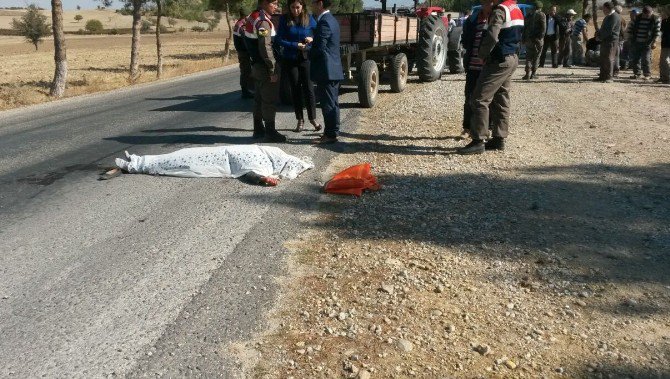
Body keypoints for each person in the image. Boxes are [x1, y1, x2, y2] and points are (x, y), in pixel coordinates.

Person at [458, 0, 524, 155]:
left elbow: (492, 36)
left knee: (479, 99)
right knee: (501, 98)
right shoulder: (515, 9)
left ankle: (478, 140)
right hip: (512, 57)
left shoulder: (499, 10)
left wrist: (482, 55)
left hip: (499, 60)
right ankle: (499, 138)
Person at [111, 146, 314, 186]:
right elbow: (250, 172)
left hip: (209, 154)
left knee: (174, 161)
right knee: (177, 163)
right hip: (210, 158)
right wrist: (263, 178)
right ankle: (136, 164)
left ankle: (135, 163)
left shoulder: (271, 152)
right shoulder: (265, 160)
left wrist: (263, 177)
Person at [276, 0, 322, 133]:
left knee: (309, 88)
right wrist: (294, 45)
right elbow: (279, 39)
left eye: (298, 7)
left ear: (302, 7)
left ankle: (313, 119)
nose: (295, 10)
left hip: (306, 58)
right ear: (289, 7)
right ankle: (300, 120)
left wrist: (312, 40)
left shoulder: (310, 18)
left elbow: (318, 35)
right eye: (292, 7)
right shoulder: (285, 19)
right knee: (295, 89)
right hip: (290, 59)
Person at [244, 0, 287, 142]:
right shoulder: (263, 22)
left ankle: (258, 129)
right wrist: (272, 69)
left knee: (258, 99)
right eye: (273, 3)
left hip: (256, 65)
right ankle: (270, 132)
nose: (276, 6)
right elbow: (266, 47)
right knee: (269, 100)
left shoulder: (253, 16)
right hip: (264, 67)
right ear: (263, 3)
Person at [309, 0, 344, 144]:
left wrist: (307, 51)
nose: (311, 5)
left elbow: (320, 47)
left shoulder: (324, 22)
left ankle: (330, 135)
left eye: (313, 2)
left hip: (326, 70)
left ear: (320, 3)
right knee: (333, 103)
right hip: (332, 68)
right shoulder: (332, 20)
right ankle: (332, 132)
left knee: (328, 104)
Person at [461, 0, 493, 135]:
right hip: (473, 66)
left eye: (491, 2)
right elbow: (465, 40)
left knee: (489, 99)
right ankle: (467, 127)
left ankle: (489, 128)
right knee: (469, 97)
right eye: (486, 2)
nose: (489, 5)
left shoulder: (496, 18)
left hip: (488, 67)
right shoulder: (472, 19)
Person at [628, 5, 661, 80]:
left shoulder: (655, 19)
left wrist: (654, 42)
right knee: (635, 59)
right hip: (636, 42)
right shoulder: (637, 17)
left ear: (651, 12)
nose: (646, 16)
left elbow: (657, 32)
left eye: (648, 15)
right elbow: (631, 28)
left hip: (647, 43)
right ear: (642, 13)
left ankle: (647, 74)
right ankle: (637, 74)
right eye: (645, 14)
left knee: (645, 59)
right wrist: (630, 38)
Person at [594, 2, 621, 82]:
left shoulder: (614, 17)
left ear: (608, 8)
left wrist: (600, 38)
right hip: (605, 40)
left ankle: (609, 77)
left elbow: (609, 30)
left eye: (604, 8)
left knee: (609, 58)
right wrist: (598, 34)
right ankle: (602, 76)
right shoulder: (607, 17)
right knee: (603, 58)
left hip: (611, 41)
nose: (603, 10)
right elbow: (603, 29)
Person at [522, 0, 546, 79]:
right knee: (537, 56)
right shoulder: (541, 15)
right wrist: (540, 38)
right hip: (537, 39)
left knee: (528, 57)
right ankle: (533, 74)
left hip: (528, 39)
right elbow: (543, 28)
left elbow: (524, 28)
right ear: (540, 8)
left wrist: (523, 38)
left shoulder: (528, 15)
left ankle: (527, 74)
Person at [233, 9, 254, 99]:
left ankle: (247, 90)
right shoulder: (241, 26)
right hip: (243, 52)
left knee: (246, 70)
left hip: (242, 51)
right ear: (245, 16)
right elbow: (245, 40)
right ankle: (245, 91)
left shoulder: (239, 23)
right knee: (246, 71)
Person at [659, 5, 670, 83]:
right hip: (665, 43)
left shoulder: (667, 20)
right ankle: (663, 77)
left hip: (667, 43)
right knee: (663, 60)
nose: (665, 11)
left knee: (665, 60)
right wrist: (663, 20)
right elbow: (662, 30)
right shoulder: (666, 20)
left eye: (666, 10)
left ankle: (666, 78)